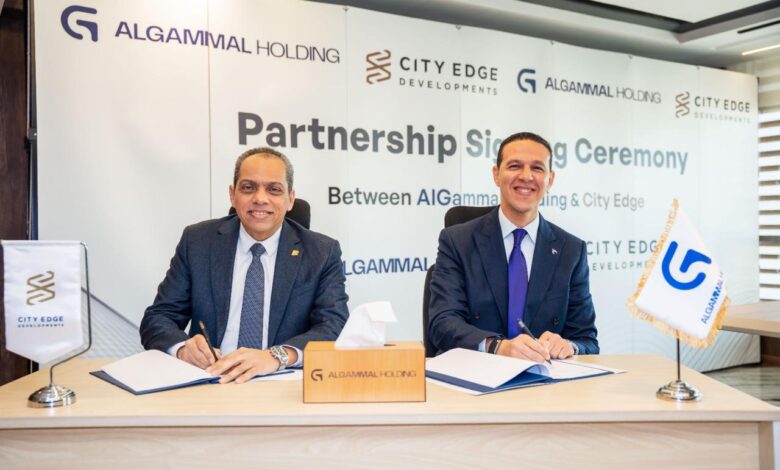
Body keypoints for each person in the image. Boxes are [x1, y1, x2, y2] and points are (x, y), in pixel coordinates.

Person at [140, 147, 348, 383]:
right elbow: (158, 318)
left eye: (274, 189)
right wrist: (182, 349)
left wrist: (276, 356)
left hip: (281, 382)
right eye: (248, 187)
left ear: (290, 199)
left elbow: (333, 326)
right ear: (232, 195)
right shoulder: (197, 242)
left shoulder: (322, 252)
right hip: (211, 379)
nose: (260, 198)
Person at [428, 132, 598, 361]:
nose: (526, 176)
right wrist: (498, 347)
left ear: (550, 180)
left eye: (537, 168)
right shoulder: (457, 241)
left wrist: (569, 346)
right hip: (477, 374)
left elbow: (587, 340)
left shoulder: (571, 250)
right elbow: (442, 323)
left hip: (544, 378)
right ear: (496, 175)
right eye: (515, 166)